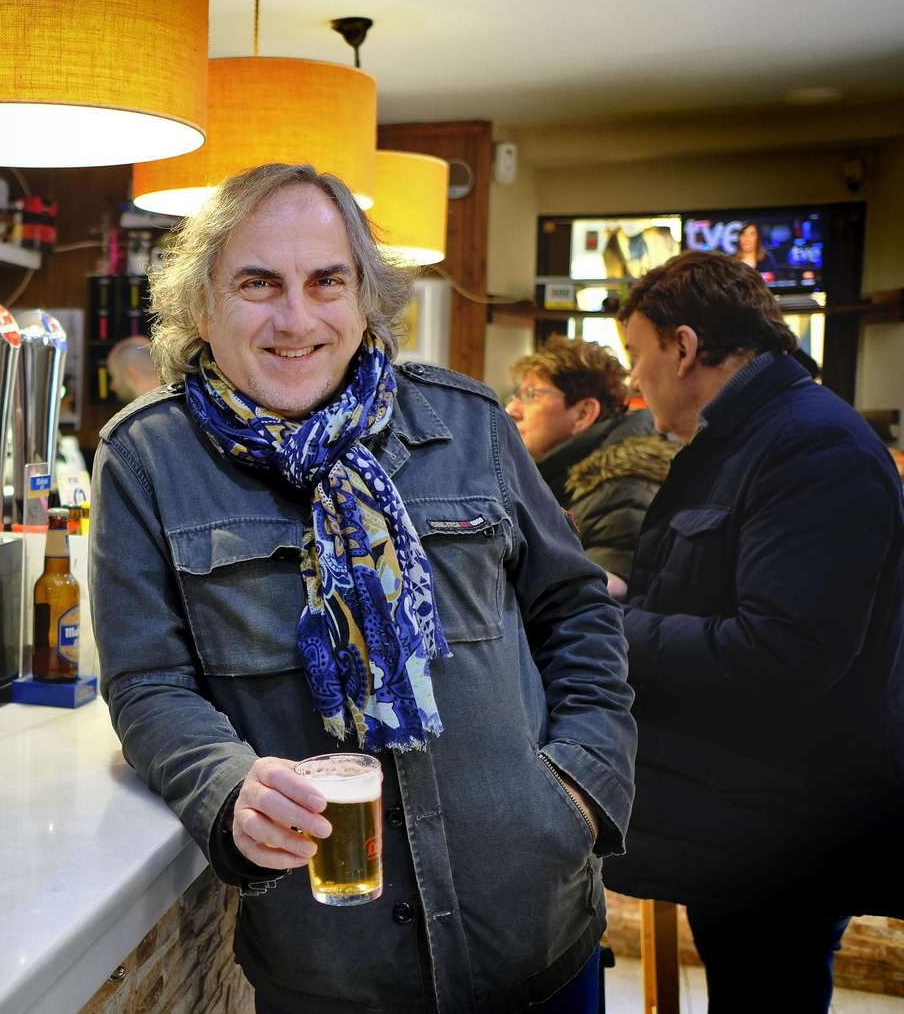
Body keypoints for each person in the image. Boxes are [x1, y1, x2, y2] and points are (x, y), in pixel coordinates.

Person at [92, 163, 637, 1013]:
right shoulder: (145, 460)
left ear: (365, 298)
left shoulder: (471, 426)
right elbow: (149, 682)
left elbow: (574, 609)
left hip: (537, 927)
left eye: (326, 281)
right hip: (330, 963)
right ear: (202, 306)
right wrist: (226, 787)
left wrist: (584, 786)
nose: (296, 318)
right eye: (258, 283)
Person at [604, 249, 904, 1012]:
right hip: (741, 815)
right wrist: (630, 593)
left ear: (683, 346)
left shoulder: (811, 444)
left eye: (636, 353)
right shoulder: (747, 439)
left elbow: (784, 651)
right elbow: (726, 593)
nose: (633, 377)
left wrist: (615, 626)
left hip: (785, 828)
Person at [505, 336, 677, 594]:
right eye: (517, 395)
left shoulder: (622, 492)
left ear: (583, 414)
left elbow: (593, 602)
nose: (512, 410)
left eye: (532, 395)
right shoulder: (551, 476)